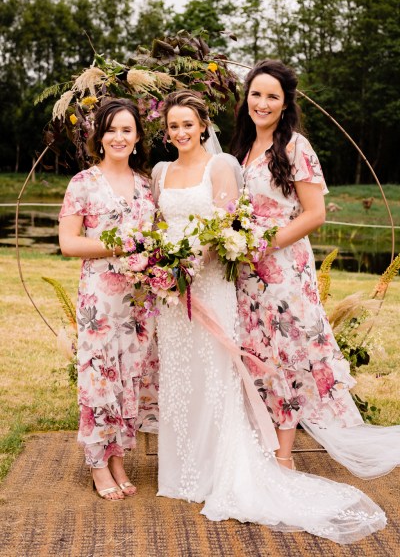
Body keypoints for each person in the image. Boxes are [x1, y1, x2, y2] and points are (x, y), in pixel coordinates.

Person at [151, 89, 386, 544]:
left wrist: (201, 257)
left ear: (204, 126)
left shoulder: (271, 152)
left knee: (234, 368)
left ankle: (252, 462)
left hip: (224, 278)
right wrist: (162, 263)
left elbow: (235, 222)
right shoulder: (180, 167)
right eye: (172, 126)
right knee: (184, 374)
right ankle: (185, 467)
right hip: (180, 289)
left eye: (188, 123)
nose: (180, 132)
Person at [231, 59, 400, 478]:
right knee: (257, 354)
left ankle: (284, 457)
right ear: (246, 98)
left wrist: (264, 244)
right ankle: (259, 443)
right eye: (256, 94)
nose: (262, 102)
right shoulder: (241, 148)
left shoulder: (295, 147)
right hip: (246, 275)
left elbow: (314, 213)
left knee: (287, 355)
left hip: (284, 271)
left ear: (285, 103)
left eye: (272, 96)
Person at [59, 99, 158, 501]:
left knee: (129, 376)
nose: (119, 137)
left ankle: (119, 457)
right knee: (100, 377)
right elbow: (68, 243)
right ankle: (98, 463)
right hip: (101, 299)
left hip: (140, 300)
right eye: (111, 130)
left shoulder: (146, 185)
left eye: (127, 130)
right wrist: (119, 245)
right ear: (99, 136)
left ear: (137, 138)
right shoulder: (83, 182)